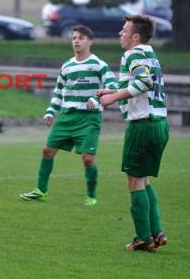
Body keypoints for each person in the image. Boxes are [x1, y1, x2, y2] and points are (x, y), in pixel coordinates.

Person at [19, 25, 117, 206]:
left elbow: (113, 86)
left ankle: (91, 195)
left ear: (90, 42)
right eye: (74, 38)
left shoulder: (98, 64)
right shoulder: (67, 66)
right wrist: (50, 111)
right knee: (47, 150)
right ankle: (40, 190)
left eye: (81, 38)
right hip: (66, 117)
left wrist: (97, 100)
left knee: (88, 159)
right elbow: (58, 92)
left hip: (89, 119)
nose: (76, 41)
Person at [98, 15, 169, 251]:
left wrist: (113, 97)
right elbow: (140, 83)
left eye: (124, 30)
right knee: (143, 178)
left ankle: (143, 238)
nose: (120, 33)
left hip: (143, 125)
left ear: (135, 37)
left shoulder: (133, 53)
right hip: (158, 122)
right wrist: (110, 90)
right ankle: (156, 231)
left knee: (134, 180)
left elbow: (144, 82)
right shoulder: (150, 54)